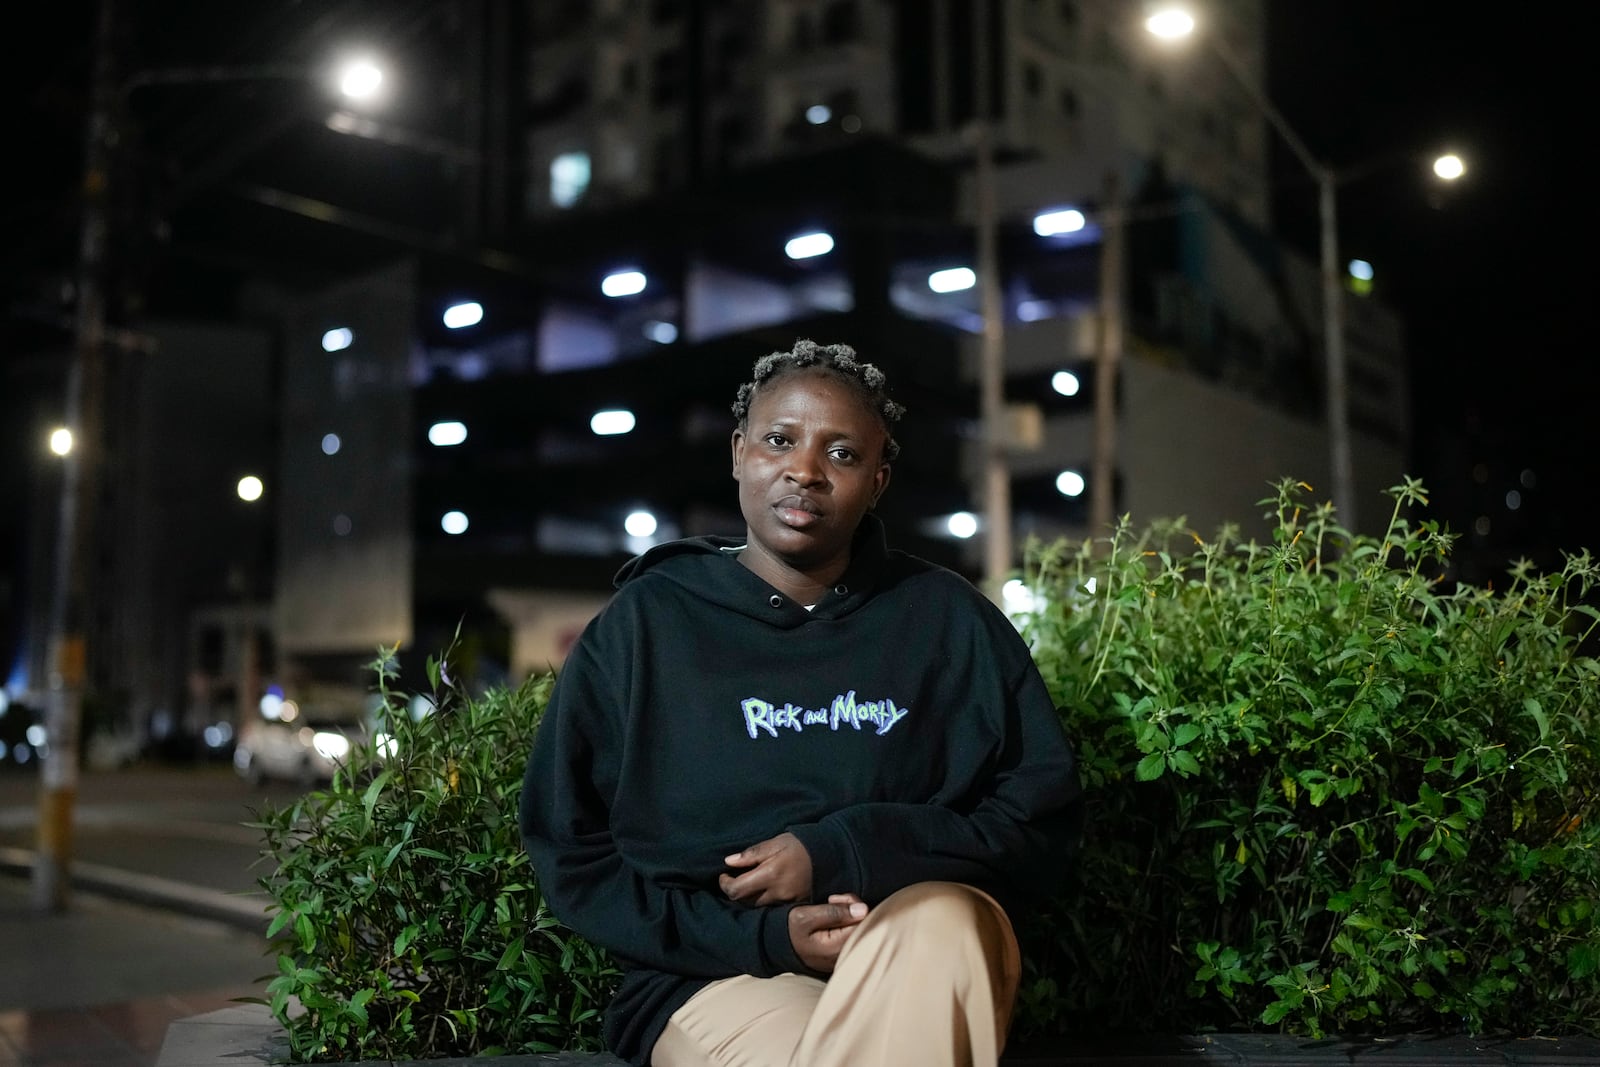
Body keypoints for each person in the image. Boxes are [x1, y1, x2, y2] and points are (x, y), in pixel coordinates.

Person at [519, 339, 1081, 1067]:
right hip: (718, 977)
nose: (805, 470)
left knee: (943, 924)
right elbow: (574, 851)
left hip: (928, 950)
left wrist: (844, 850)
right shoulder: (645, 627)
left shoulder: (948, 623)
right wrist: (764, 937)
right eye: (779, 440)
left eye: (841, 455)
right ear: (738, 451)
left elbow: (1039, 826)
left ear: (878, 479)